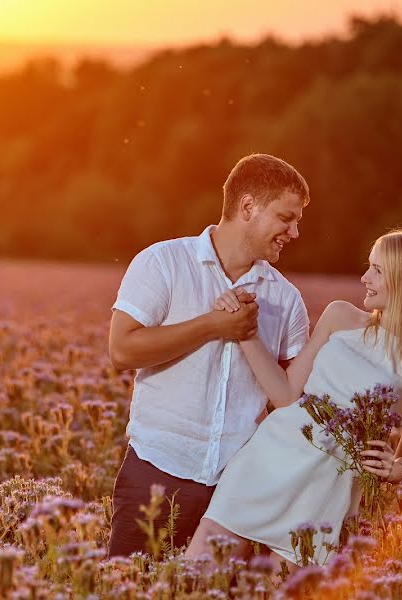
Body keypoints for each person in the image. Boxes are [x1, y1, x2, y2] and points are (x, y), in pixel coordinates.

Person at [184, 229, 402, 566]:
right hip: (268, 461)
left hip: (327, 494)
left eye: (377, 270)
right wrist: (242, 329)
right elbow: (285, 395)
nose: (364, 277)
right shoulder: (340, 316)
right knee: (195, 575)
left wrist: (396, 469)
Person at [107, 154, 311, 557]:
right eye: (286, 218)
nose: (295, 231)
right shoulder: (164, 262)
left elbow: (293, 400)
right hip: (155, 470)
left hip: (236, 491)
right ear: (248, 206)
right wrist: (213, 326)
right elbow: (122, 350)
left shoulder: (286, 299)